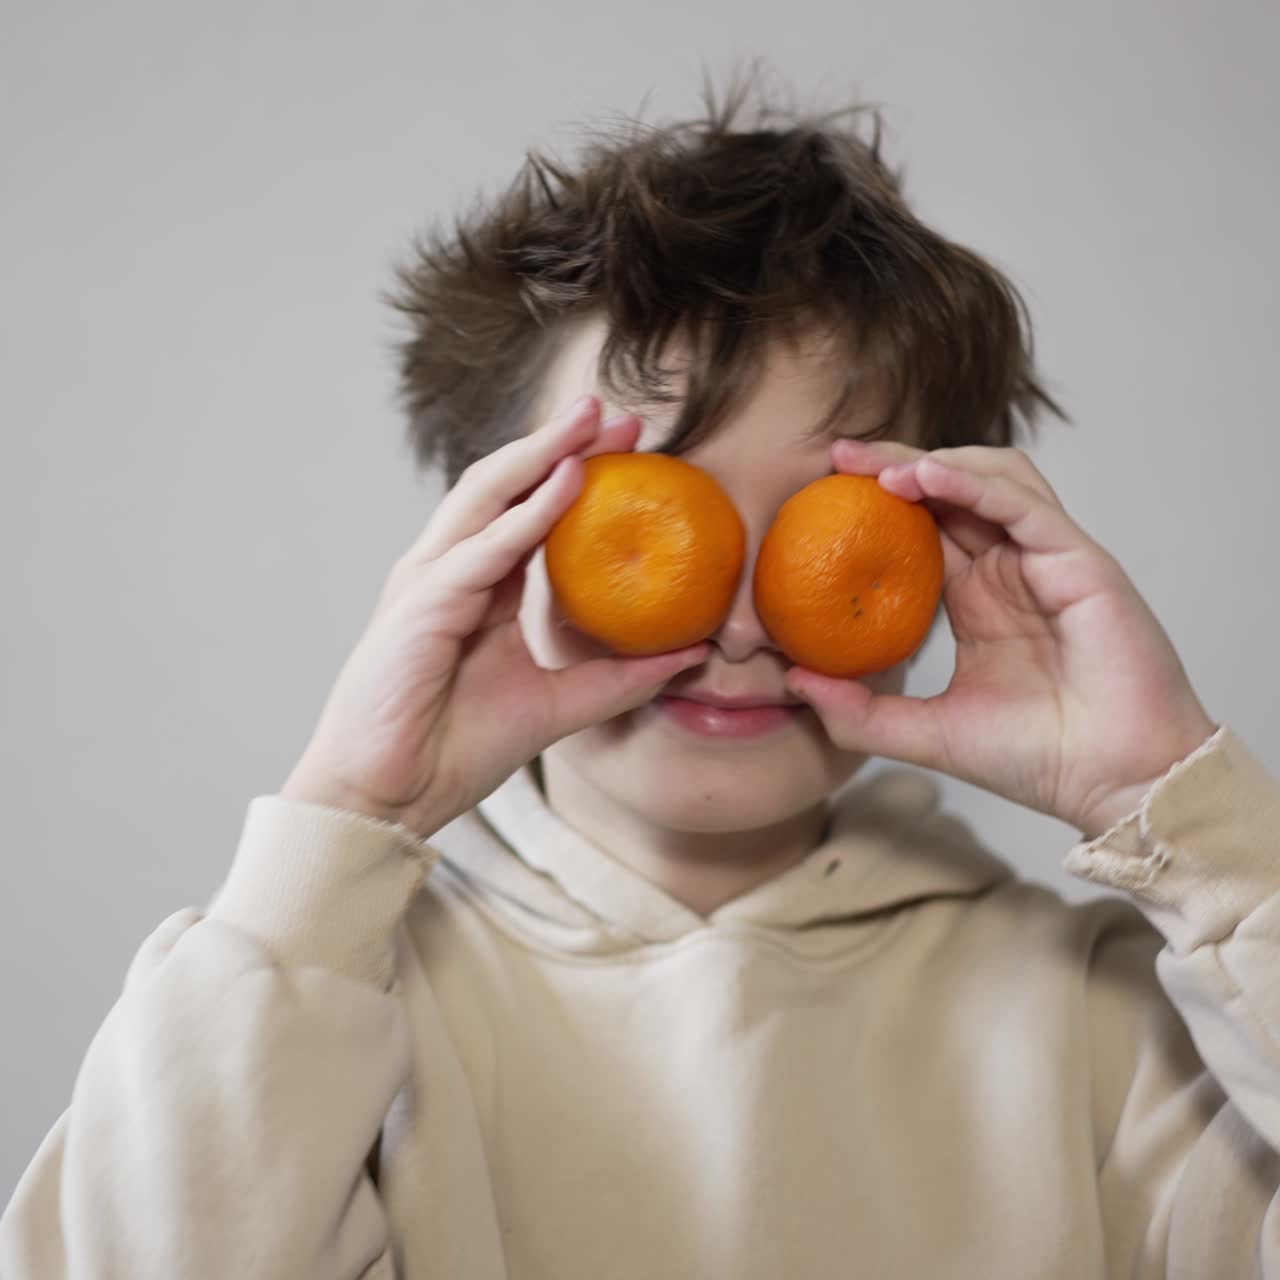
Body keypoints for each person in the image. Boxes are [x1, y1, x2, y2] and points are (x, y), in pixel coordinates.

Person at [4, 68, 1279, 1279]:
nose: (735, 624)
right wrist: (343, 825)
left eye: (817, 525)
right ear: (493, 537)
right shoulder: (315, 998)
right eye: (650, 515)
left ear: (950, 551)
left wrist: (1185, 824)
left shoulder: (1117, 1025)